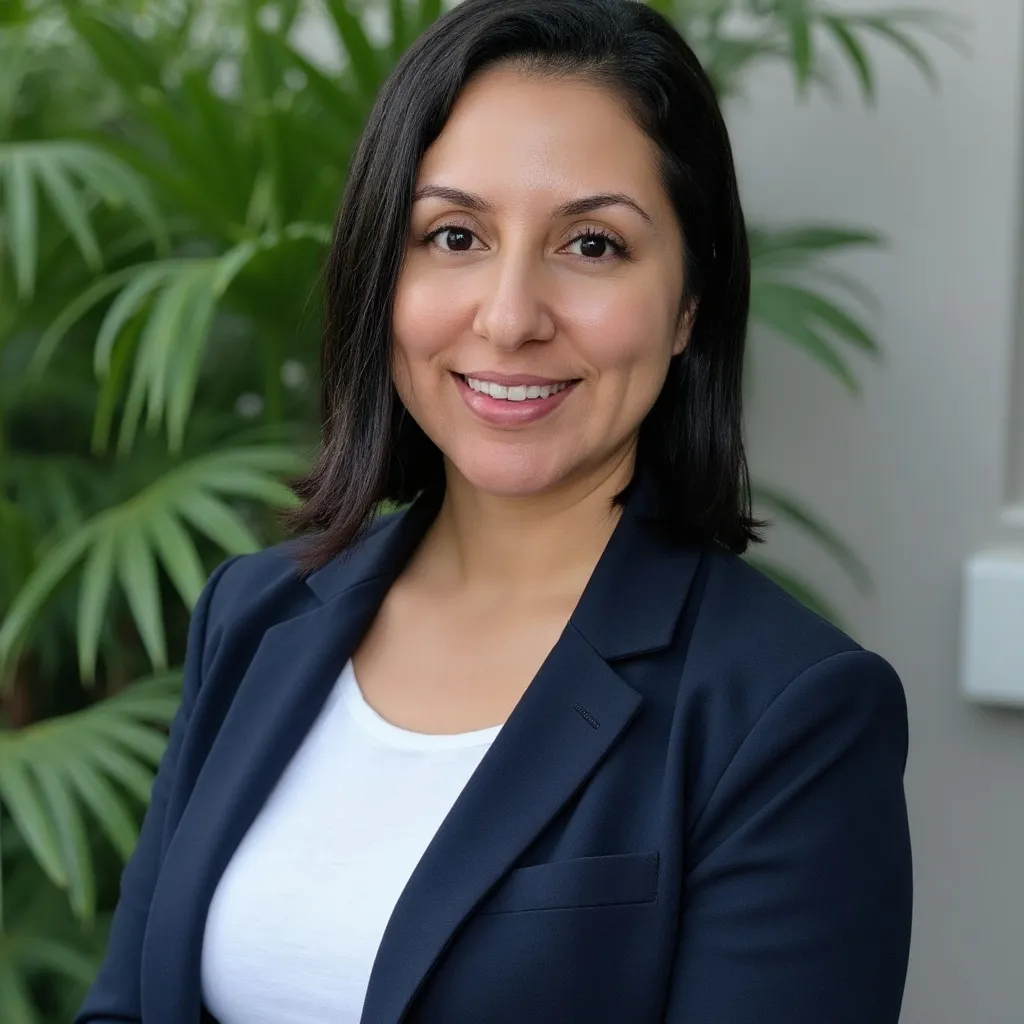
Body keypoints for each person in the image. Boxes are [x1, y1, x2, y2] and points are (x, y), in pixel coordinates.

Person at [75, 0, 913, 1021]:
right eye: (455, 234)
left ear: (690, 300)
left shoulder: (788, 713)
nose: (510, 316)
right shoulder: (253, 617)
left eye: (593, 245)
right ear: (385, 269)